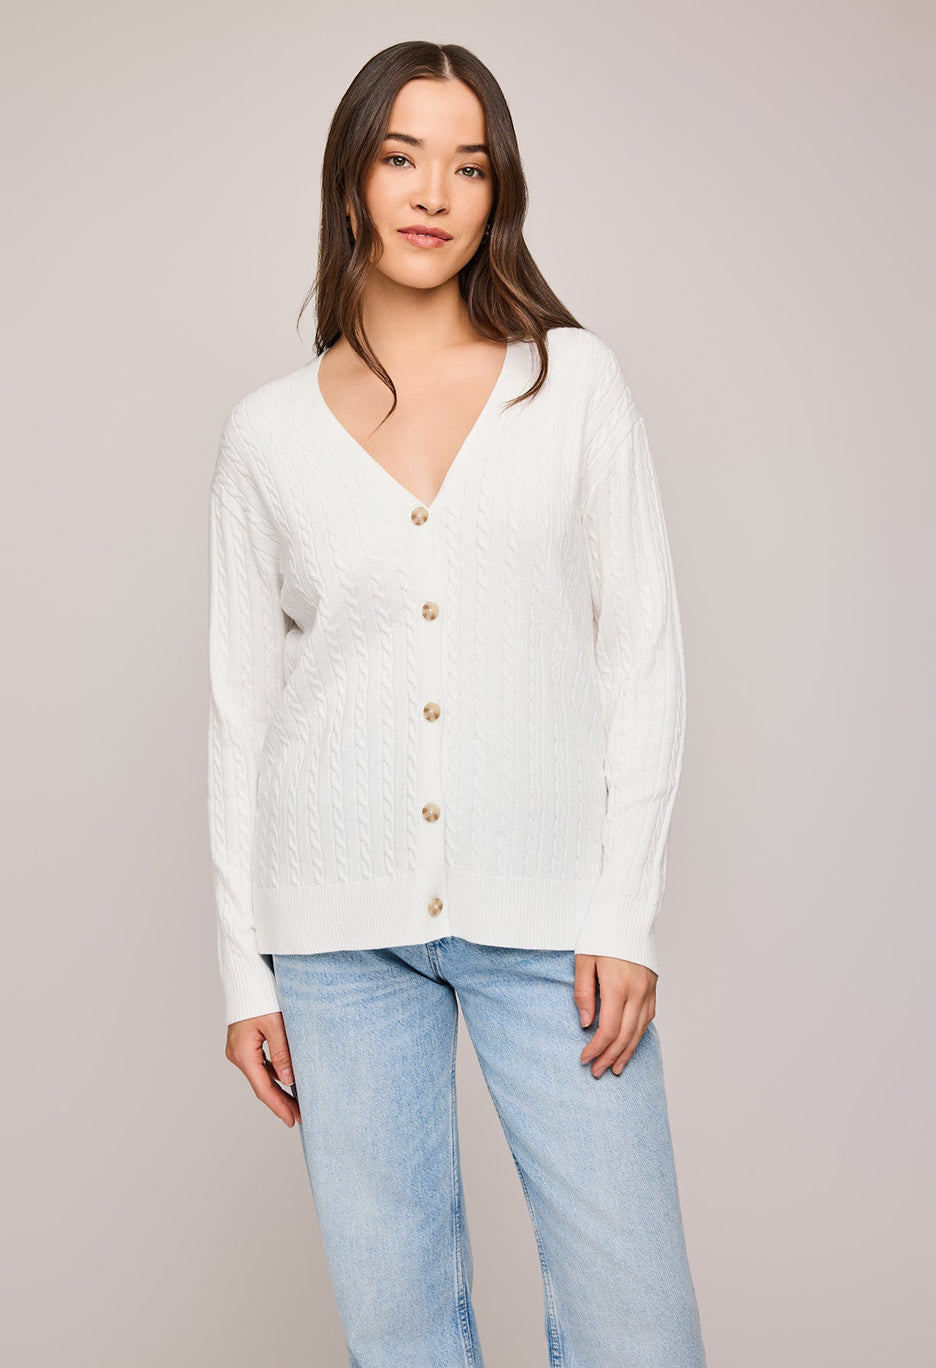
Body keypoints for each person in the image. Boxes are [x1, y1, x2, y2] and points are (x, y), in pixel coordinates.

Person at [207, 38, 708, 1368]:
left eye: (468, 166)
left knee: (639, 1327)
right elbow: (243, 717)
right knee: (401, 1332)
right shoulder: (267, 436)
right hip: (335, 940)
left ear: (499, 194)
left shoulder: (571, 382)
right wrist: (243, 970)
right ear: (353, 182)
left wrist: (623, 913)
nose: (433, 193)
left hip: (552, 917)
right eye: (401, 156)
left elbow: (644, 655)